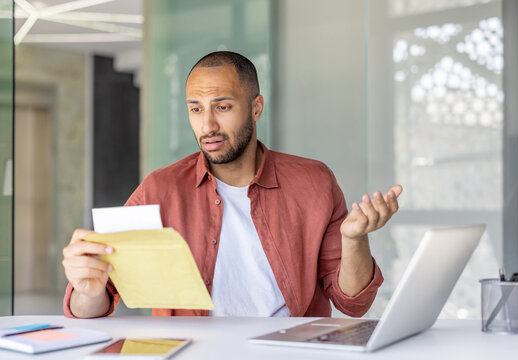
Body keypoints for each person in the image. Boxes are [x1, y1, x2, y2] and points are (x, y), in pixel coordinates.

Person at [62, 51, 402, 319]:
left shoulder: (314, 182)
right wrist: (87, 289)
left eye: (222, 107)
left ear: (256, 108)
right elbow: (93, 305)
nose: (207, 125)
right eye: (196, 109)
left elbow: (352, 304)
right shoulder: (159, 189)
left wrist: (354, 240)